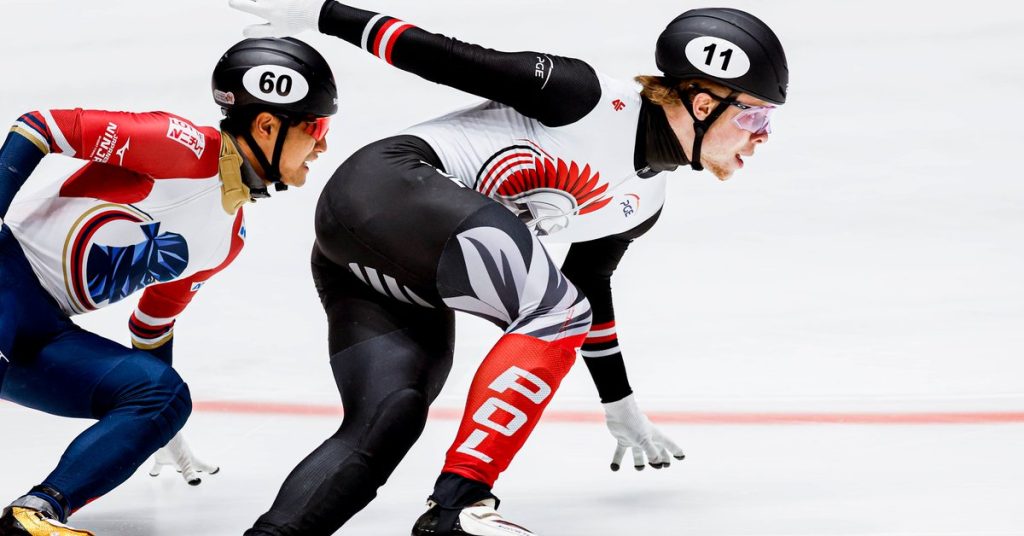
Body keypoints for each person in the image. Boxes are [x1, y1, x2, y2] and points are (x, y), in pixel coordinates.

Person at [231, 1, 788, 534]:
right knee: (557, 310)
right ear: (702, 103)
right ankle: (461, 503)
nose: (763, 134)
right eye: (755, 114)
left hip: (384, 257)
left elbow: (590, 288)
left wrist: (618, 402)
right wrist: (325, 13)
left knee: (389, 418)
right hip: (387, 185)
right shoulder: (586, 96)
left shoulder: (644, 204)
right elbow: (446, 57)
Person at [0, 37, 336, 536]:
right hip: (7, 270)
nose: (323, 146)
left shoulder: (227, 240)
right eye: (318, 128)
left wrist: (157, 424)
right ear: (267, 125)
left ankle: (35, 513)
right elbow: (41, 126)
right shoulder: (180, 146)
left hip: (42, 332)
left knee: (163, 395)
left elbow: (152, 325)